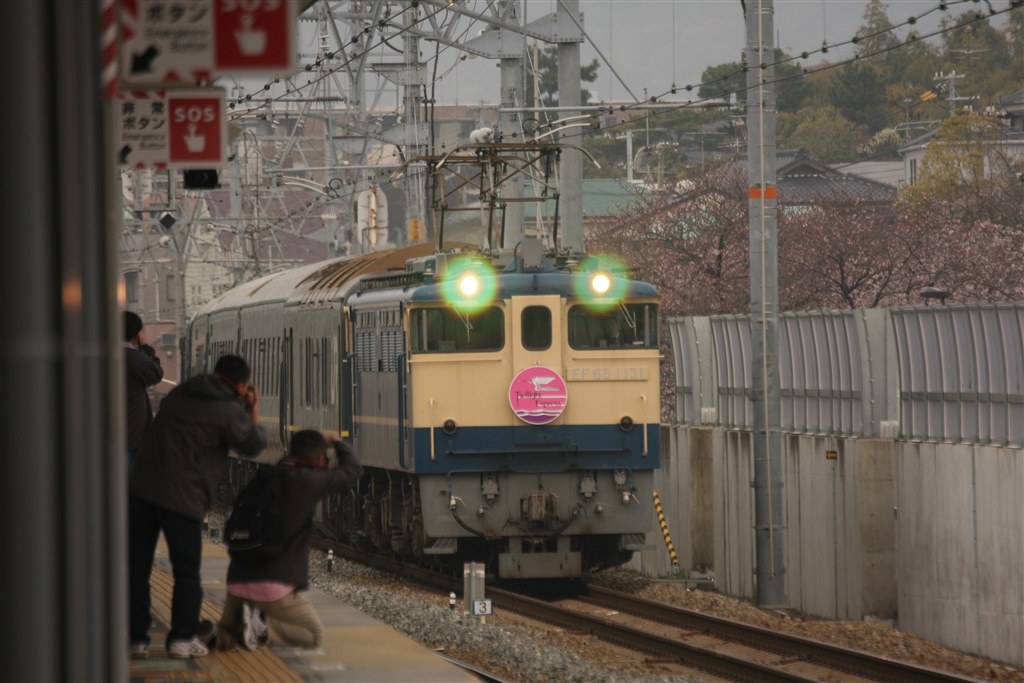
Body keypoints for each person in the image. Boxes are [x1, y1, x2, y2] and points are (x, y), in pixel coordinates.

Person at [128, 354, 268, 660]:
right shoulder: (228, 410)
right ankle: (182, 637)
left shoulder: (180, 394)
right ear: (242, 385)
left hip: (142, 488)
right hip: (183, 497)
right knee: (187, 572)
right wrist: (252, 408)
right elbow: (253, 445)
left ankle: (135, 638)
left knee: (136, 567)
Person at [216, 430, 362, 651]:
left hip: (236, 581)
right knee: (314, 635)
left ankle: (219, 633)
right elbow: (352, 471)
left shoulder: (264, 476)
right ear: (320, 460)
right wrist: (339, 443)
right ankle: (262, 628)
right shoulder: (307, 482)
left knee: (227, 635)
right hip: (272, 587)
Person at [123, 311, 163, 472]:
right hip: (131, 438)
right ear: (137, 334)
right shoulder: (132, 358)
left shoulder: (99, 355)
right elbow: (156, 372)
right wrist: (145, 346)